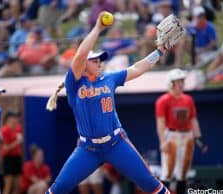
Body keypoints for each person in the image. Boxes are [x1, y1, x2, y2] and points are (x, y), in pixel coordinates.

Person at [45, 11, 171, 194]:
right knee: (58, 189)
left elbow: (137, 68)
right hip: (87, 149)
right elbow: (80, 56)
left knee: (150, 184)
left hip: (116, 143)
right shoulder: (74, 83)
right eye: (95, 60)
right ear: (85, 64)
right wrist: (97, 28)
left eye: (100, 60)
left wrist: (159, 52)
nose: (100, 63)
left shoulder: (109, 78)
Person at [155, 68, 208, 194]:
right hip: (171, 135)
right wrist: (162, 141)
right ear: (171, 83)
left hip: (187, 135)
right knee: (168, 171)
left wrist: (199, 138)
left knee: (184, 172)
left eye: (182, 81)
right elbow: (161, 122)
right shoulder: (163, 100)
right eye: (178, 81)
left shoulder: (188, 99)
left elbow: (193, 120)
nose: (181, 84)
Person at [0, 111, 23, 194]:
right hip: (8, 159)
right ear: (8, 119)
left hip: (17, 158)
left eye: (16, 118)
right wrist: (17, 142)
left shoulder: (18, 128)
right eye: (13, 118)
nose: (15, 120)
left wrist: (18, 142)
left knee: (18, 186)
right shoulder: (4, 130)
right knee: (8, 185)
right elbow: (5, 148)